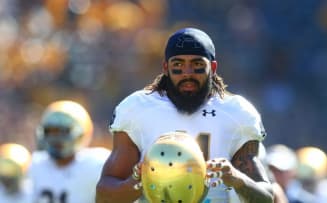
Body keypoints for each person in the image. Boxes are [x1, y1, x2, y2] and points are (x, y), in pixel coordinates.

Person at [96, 27, 274, 202]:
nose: (187, 73)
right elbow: (103, 196)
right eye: (178, 64)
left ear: (212, 67)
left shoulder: (237, 113)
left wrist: (235, 177)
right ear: (166, 67)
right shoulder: (137, 109)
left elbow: (266, 198)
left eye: (197, 64)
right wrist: (139, 182)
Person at [28, 100, 110, 203]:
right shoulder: (34, 165)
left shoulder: (97, 164)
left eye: (64, 131)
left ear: (81, 133)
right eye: (51, 131)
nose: (56, 138)